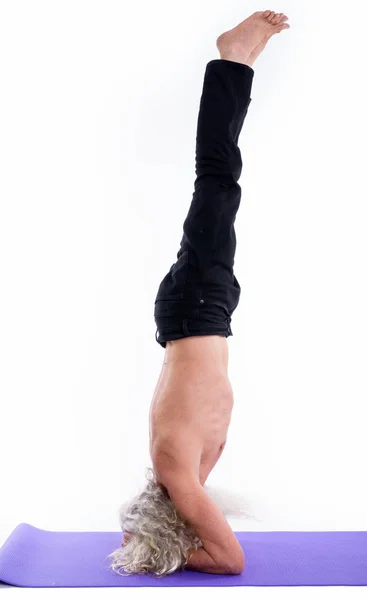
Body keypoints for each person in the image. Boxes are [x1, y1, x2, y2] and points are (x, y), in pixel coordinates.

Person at [108, 9, 290, 578]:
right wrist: (159, 539)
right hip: (204, 312)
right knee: (220, 179)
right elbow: (209, 535)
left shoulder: (176, 471)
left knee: (216, 176)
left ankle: (232, 58)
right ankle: (238, 63)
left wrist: (159, 550)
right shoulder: (180, 475)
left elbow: (229, 561)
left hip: (196, 308)